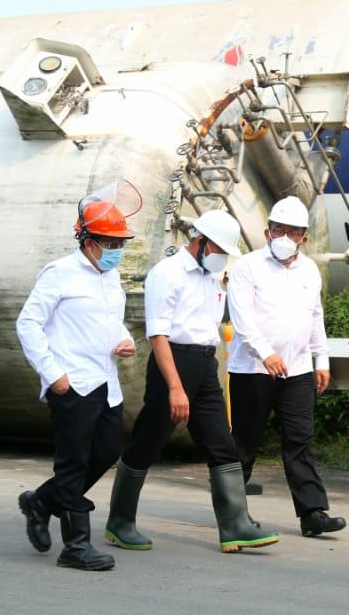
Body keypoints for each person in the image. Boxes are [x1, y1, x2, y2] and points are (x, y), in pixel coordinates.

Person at [105, 209, 279, 553]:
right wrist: (174, 387)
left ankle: (235, 526)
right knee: (149, 440)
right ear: (200, 241)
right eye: (219, 251)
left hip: (203, 364)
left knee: (221, 442)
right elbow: (158, 335)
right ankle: (120, 522)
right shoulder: (166, 274)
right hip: (173, 362)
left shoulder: (210, 276)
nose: (222, 258)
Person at [15, 183, 140, 571]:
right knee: (72, 462)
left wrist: (124, 339)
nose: (116, 250)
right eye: (109, 242)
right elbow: (28, 324)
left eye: (120, 243)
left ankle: (42, 502)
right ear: (86, 240)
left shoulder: (110, 278)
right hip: (72, 383)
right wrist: (53, 375)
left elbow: (109, 322)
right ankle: (76, 546)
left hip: (105, 383)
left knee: (105, 452)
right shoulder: (60, 274)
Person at [227, 196, 346, 538]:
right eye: (278, 229)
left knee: (300, 441)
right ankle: (232, 512)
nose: (283, 236)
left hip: (297, 370)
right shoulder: (247, 267)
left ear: (303, 238)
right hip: (253, 369)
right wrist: (266, 353)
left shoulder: (309, 269)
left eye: (292, 232)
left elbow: (315, 316)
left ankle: (313, 512)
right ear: (267, 232)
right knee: (245, 443)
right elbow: (243, 320)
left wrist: (320, 359)